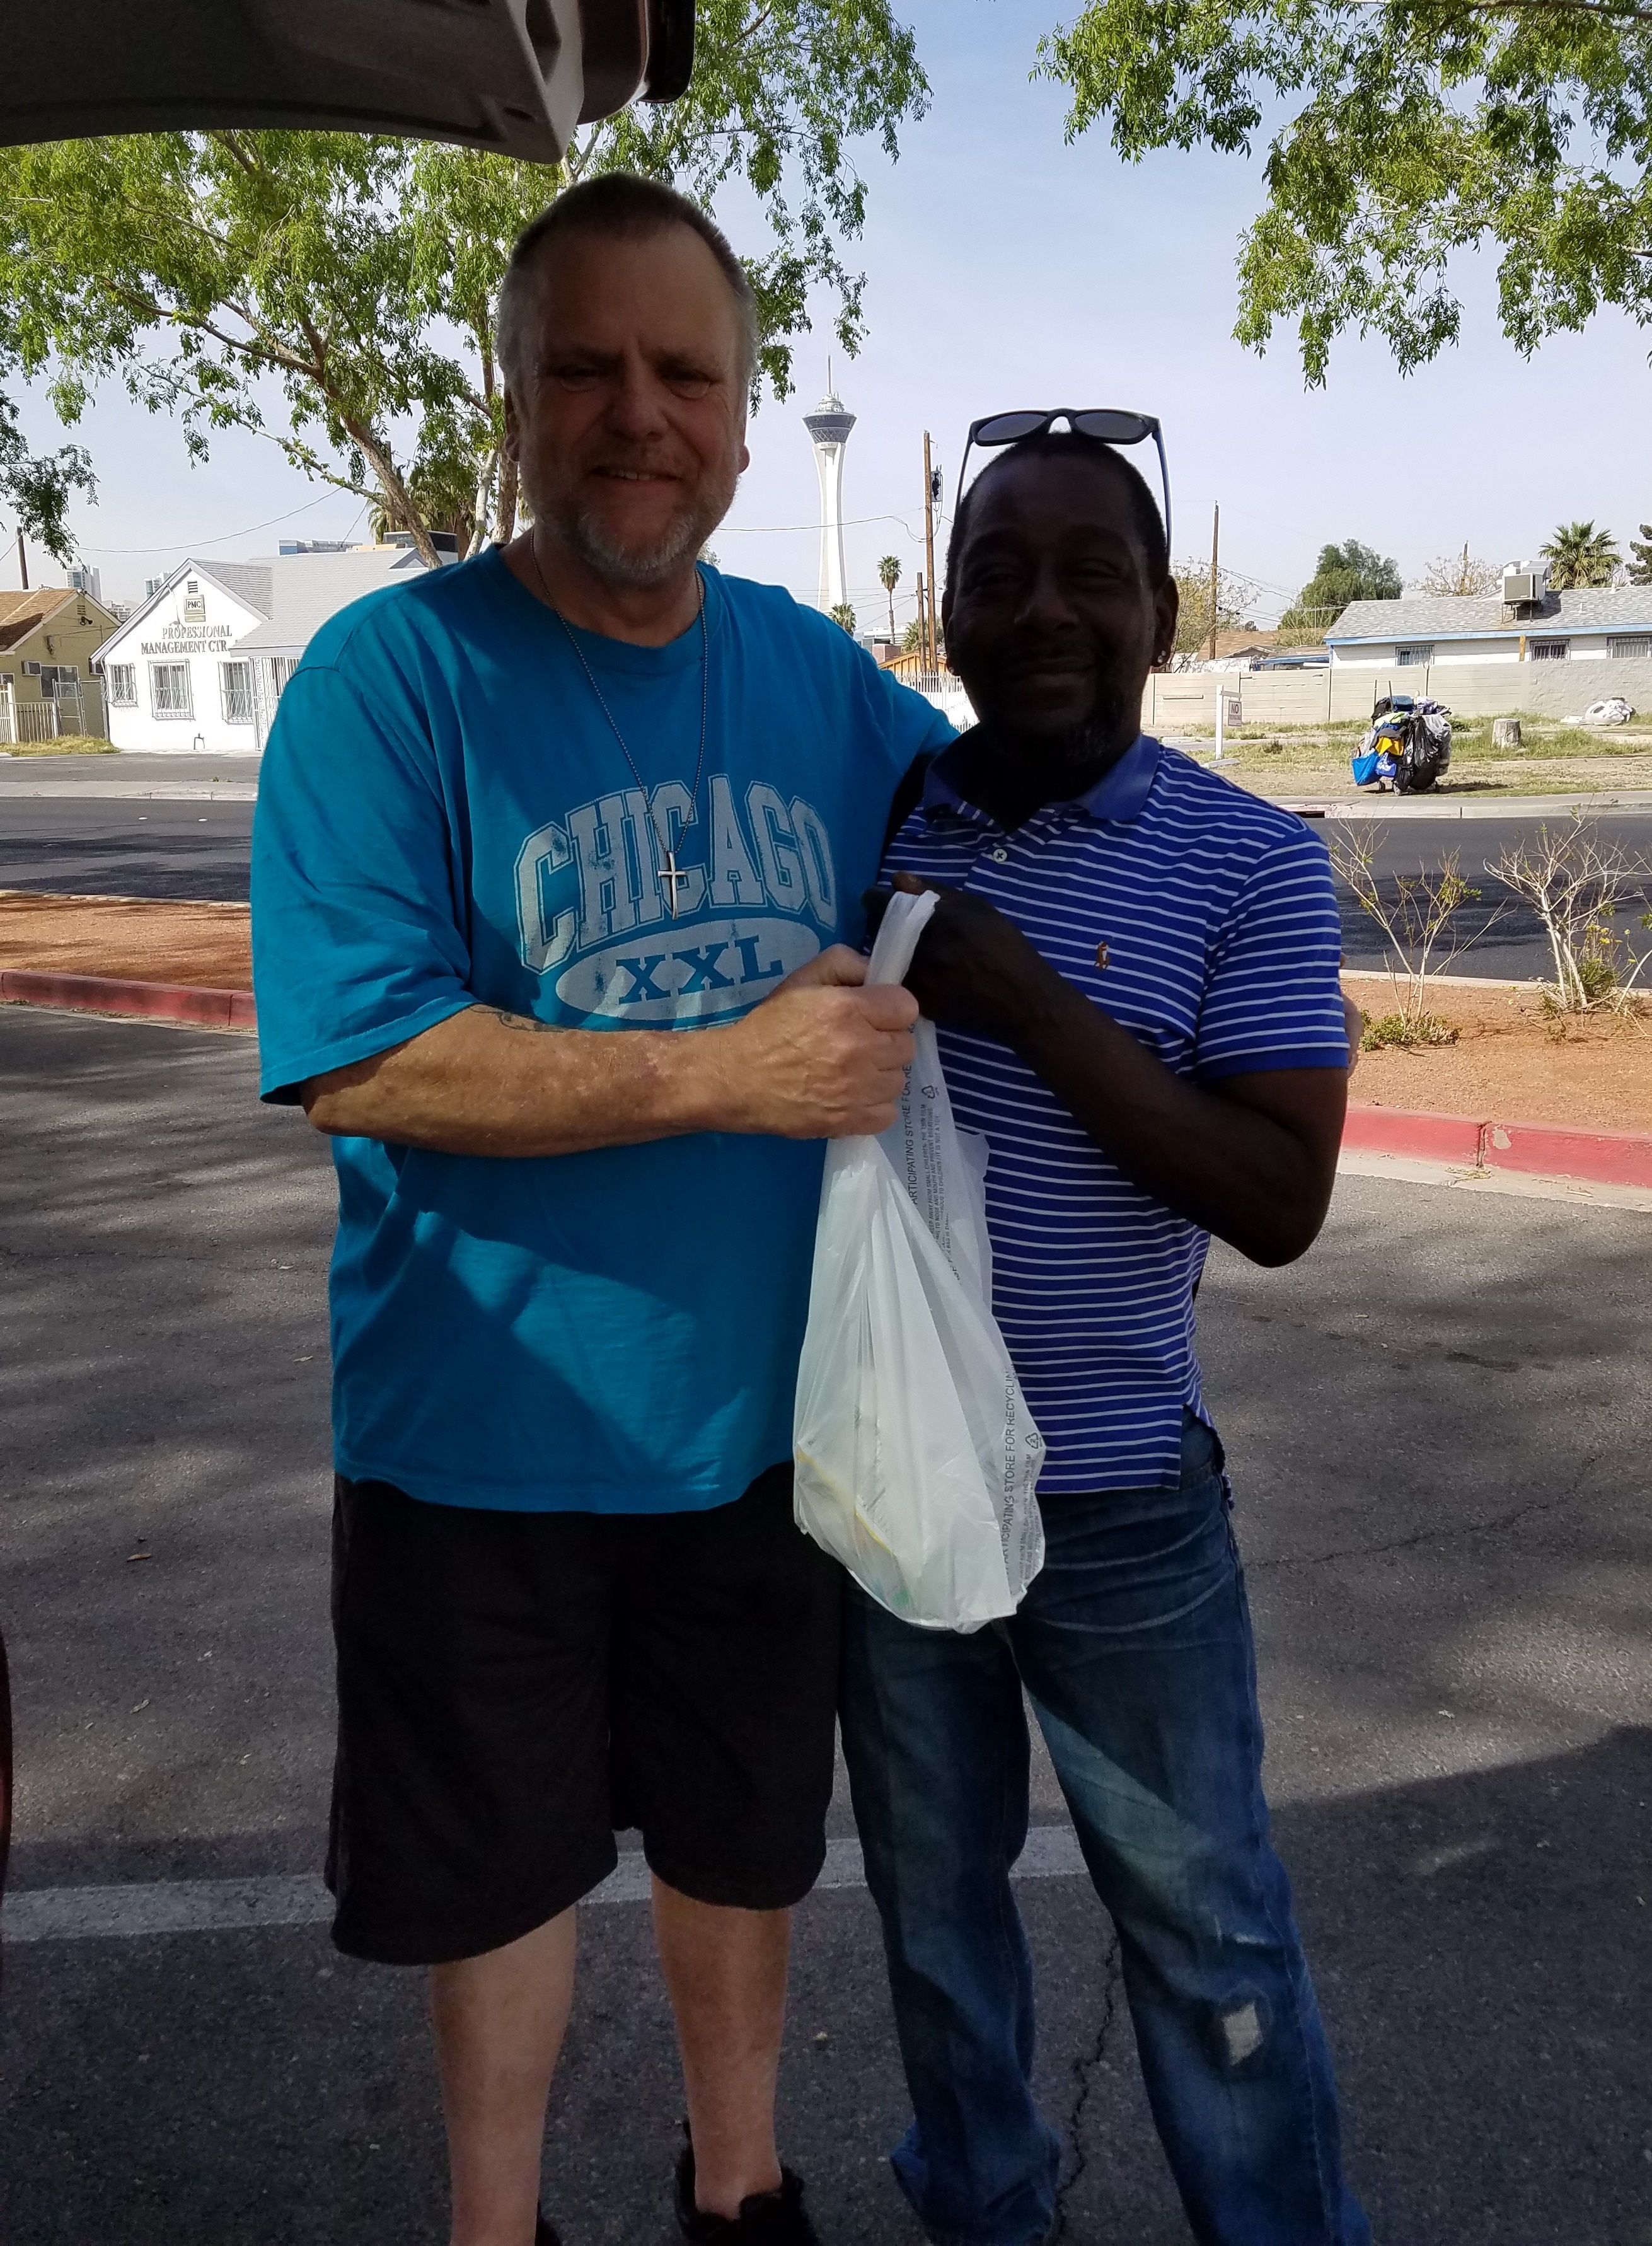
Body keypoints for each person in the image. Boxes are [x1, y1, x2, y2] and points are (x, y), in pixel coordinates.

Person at [250, 174, 950, 2246]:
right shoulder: (392, 679)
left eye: (685, 374)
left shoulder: (822, 683)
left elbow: (1004, 834)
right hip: (480, 1435)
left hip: (757, 1431)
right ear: (514, 398)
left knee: (745, 1848)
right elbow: (364, 1054)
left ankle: (741, 2188)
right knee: (498, 1882)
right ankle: (499, 2225)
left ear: (741, 413)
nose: (641, 415)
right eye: (587, 369)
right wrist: (731, 1070)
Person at [839, 425, 1370, 2246]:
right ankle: (986, 2212)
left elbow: (1280, 1198)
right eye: (999, 575)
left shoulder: (1249, 861)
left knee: (1210, 1928)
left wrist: (1025, 997)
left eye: (1093, 574)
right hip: (897, 1495)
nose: (1045, 610)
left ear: (1162, 612)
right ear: (950, 614)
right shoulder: (880, 820)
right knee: (934, 1916)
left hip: (1125, 1502)